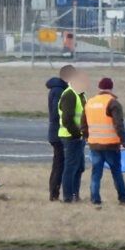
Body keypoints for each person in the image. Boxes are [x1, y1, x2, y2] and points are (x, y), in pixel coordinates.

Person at [83, 77, 125, 208]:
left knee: (96, 173)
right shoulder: (113, 103)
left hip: (94, 144)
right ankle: (123, 198)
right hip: (111, 145)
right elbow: (119, 124)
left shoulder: (89, 102)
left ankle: (95, 199)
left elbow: (83, 123)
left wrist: (86, 137)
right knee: (116, 172)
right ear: (111, 88)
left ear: (99, 88)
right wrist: (124, 141)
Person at [57, 69, 88, 203]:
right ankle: (68, 197)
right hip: (71, 137)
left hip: (79, 137)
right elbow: (67, 119)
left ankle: (75, 195)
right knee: (70, 168)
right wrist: (77, 134)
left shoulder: (80, 94)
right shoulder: (69, 94)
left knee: (79, 167)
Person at [45, 65, 74, 201]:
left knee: (59, 163)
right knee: (59, 164)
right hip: (58, 132)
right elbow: (56, 113)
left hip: (57, 131)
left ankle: (54, 193)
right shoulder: (58, 90)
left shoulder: (59, 89)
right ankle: (54, 194)